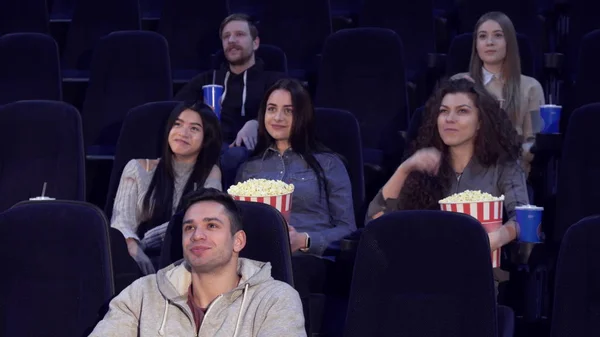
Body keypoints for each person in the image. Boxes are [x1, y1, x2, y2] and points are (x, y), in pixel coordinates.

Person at [367, 79, 529, 287]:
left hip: (479, 277)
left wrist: (491, 240)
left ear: (480, 122)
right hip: (424, 273)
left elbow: (524, 218)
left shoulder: (503, 165)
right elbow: (375, 219)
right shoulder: (423, 164)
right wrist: (404, 169)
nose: (450, 119)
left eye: (462, 111)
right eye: (444, 111)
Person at [90, 188, 306, 337]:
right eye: (189, 228)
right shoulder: (143, 293)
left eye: (211, 226)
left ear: (238, 241)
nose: (197, 235)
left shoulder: (275, 299)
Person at [235, 78, 356, 299]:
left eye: (288, 111)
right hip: (257, 258)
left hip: (310, 260)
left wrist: (305, 241)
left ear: (302, 115)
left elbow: (347, 228)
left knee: (289, 272)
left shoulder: (328, 163)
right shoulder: (249, 168)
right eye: (272, 109)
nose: (278, 117)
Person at [174, 13, 286, 188]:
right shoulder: (207, 80)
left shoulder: (274, 81)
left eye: (239, 35)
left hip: (258, 150)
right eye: (226, 37)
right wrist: (202, 115)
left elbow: (295, 113)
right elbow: (176, 110)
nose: (231, 40)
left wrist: (257, 123)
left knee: (235, 156)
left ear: (255, 43)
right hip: (212, 147)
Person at [111, 101, 222, 275]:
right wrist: (133, 246)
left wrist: (145, 242)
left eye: (194, 128)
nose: (183, 133)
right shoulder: (137, 168)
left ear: (206, 139)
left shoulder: (211, 173)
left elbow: (200, 222)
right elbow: (120, 223)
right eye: (177, 124)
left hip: (184, 262)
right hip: (134, 258)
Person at [452, 11, 545, 174]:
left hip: (512, 176)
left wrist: (512, 156)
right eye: (482, 36)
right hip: (465, 175)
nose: (489, 42)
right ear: (476, 45)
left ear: (509, 42)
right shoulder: (458, 83)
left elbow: (536, 140)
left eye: (497, 36)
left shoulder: (532, 87)